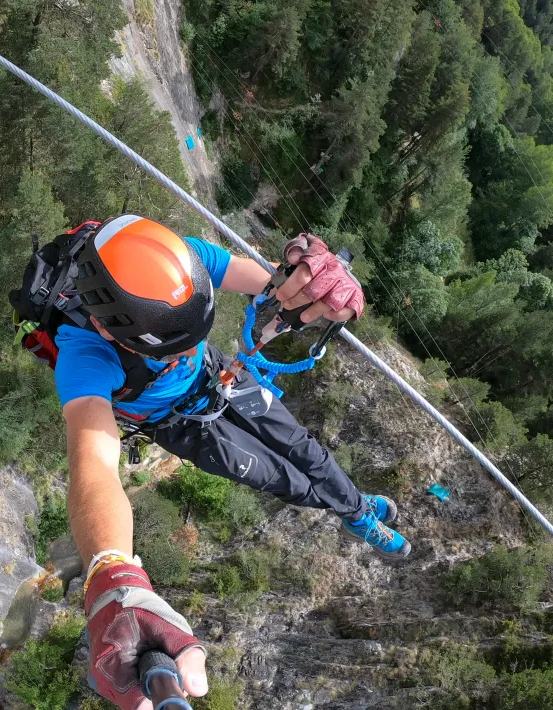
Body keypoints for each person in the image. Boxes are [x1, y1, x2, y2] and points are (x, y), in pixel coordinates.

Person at [57, 214, 409, 709]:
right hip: (182, 423)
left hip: (223, 372)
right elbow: (93, 463)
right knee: (281, 478)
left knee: (303, 447)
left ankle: (353, 505)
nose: (179, 353)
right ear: (108, 328)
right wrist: (114, 573)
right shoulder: (84, 354)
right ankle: (348, 507)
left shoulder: (172, 261)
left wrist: (307, 282)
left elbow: (267, 283)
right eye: (170, 348)